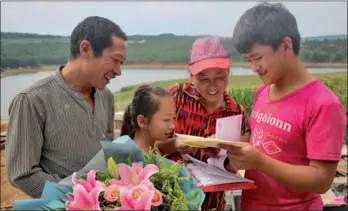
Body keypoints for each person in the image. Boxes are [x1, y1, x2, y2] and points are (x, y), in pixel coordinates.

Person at [218, 2, 347, 210]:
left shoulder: (323, 104)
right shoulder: (264, 91)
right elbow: (261, 138)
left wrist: (260, 162)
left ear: (286, 45)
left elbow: (321, 180)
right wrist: (226, 147)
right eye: (248, 60)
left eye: (257, 58)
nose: (253, 68)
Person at [5, 16, 127, 198]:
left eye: (121, 63)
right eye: (115, 60)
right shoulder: (32, 100)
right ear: (86, 49)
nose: (118, 71)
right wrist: (77, 197)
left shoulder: (106, 96)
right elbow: (22, 174)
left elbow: (106, 150)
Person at [156, 36, 247, 211]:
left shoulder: (236, 112)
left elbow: (231, 167)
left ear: (228, 72)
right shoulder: (176, 97)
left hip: (212, 203)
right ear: (191, 76)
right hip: (170, 198)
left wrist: (231, 160)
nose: (212, 86)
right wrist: (175, 145)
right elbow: (152, 145)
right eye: (203, 79)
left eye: (220, 77)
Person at [120, 84, 176, 154]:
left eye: (174, 118)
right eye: (166, 119)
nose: (172, 126)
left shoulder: (153, 151)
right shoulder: (134, 161)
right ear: (142, 121)